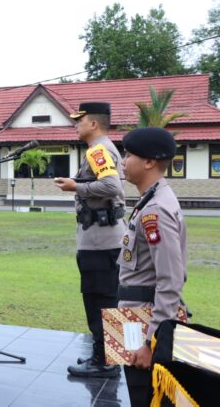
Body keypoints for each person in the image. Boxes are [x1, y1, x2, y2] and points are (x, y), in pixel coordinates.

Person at [116, 127, 187, 406]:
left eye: (129, 154)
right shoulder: (151, 198)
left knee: (144, 395)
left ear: (149, 162)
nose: (123, 161)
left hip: (145, 321)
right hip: (136, 313)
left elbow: (170, 280)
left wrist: (150, 343)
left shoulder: (156, 210)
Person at [54, 102, 124, 378]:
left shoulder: (99, 150)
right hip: (101, 239)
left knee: (100, 301)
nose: (76, 125)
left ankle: (104, 361)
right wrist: (77, 182)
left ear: (93, 123)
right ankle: (102, 354)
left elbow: (112, 186)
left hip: (101, 241)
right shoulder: (101, 149)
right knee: (102, 299)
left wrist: (76, 186)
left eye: (79, 120)